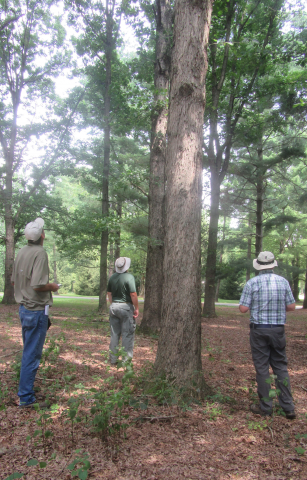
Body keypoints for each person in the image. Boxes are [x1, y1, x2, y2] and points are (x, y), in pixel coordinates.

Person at [239, 251, 296, 419]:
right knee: (280, 366)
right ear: (273, 265)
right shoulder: (283, 282)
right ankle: (288, 407)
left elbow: (243, 308)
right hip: (277, 330)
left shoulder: (252, 283)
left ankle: (266, 406)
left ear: (259, 266)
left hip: (259, 330)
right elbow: (292, 306)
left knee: (262, 368)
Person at [11, 218, 59, 407]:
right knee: (32, 354)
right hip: (36, 310)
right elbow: (38, 284)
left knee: (28, 352)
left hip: (24, 309)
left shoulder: (21, 251)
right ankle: (26, 397)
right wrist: (53, 286)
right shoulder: (40, 253)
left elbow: (15, 282)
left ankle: (25, 391)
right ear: (42, 235)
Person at [107, 257, 139, 364]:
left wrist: (113, 304)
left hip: (114, 307)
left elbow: (109, 294)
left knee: (114, 334)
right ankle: (126, 362)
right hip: (126, 308)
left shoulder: (112, 277)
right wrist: (137, 308)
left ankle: (113, 360)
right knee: (127, 334)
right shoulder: (129, 277)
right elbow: (133, 294)